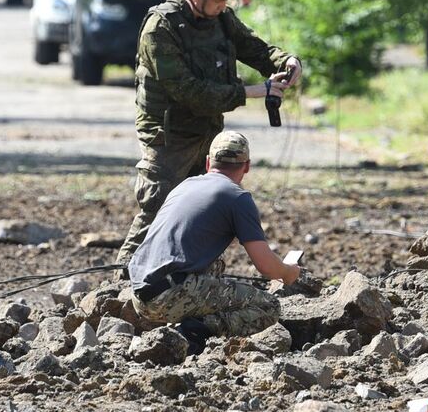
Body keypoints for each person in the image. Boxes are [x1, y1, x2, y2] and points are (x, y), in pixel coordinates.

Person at [118, 0, 303, 261]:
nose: (222, 8)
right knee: (158, 210)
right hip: (168, 137)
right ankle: (120, 285)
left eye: (225, 2)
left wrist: (285, 61)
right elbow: (188, 91)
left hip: (205, 132)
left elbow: (252, 46)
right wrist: (255, 91)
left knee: (199, 211)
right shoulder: (160, 28)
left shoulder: (220, 18)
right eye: (218, 1)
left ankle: (183, 280)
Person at [127, 131, 300, 351]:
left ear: (209, 162)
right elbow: (266, 267)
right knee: (268, 306)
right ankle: (196, 331)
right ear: (246, 166)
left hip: (139, 294)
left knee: (216, 266)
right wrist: (288, 272)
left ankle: (183, 317)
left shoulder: (185, 186)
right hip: (168, 296)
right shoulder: (238, 197)